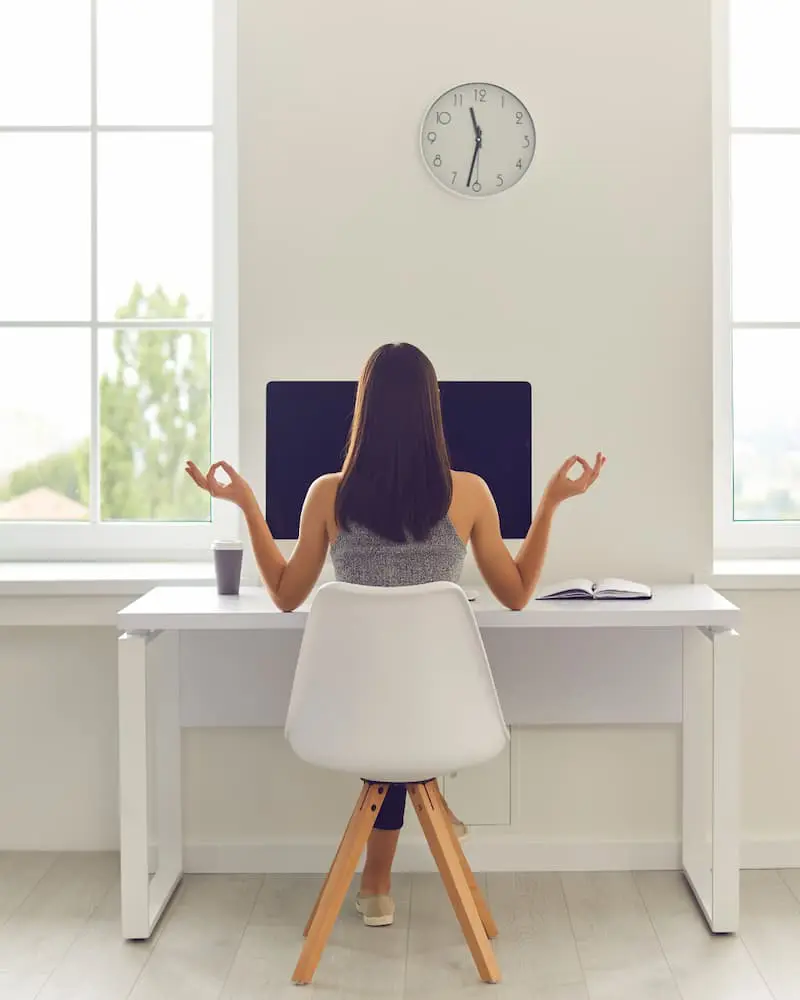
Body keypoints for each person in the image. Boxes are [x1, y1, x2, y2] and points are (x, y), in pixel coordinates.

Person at [186, 342, 605, 927]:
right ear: (433, 411)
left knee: (389, 717)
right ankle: (425, 793)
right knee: (409, 720)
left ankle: (378, 880)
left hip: (354, 709)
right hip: (439, 711)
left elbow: (284, 596)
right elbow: (515, 594)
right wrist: (551, 505)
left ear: (363, 409)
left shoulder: (327, 495)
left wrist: (248, 507)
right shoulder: (472, 494)